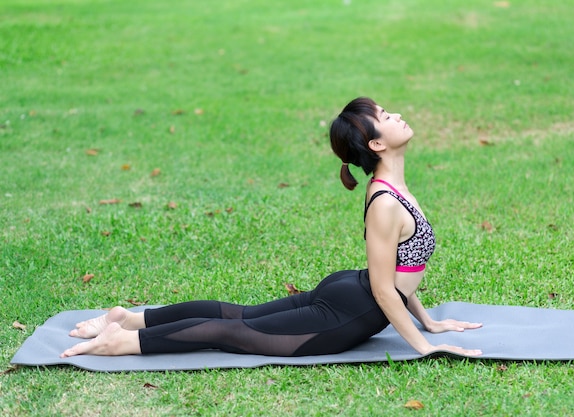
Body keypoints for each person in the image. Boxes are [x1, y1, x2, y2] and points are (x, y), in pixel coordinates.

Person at [60, 97, 482, 358]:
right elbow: (386, 289)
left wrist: (429, 322)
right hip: (352, 308)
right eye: (387, 115)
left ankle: (130, 318)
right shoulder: (386, 203)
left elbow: (402, 269)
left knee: (237, 316)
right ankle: (123, 340)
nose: (399, 115)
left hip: (350, 292)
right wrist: (424, 346)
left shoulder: (396, 186)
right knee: (232, 332)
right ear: (376, 144)